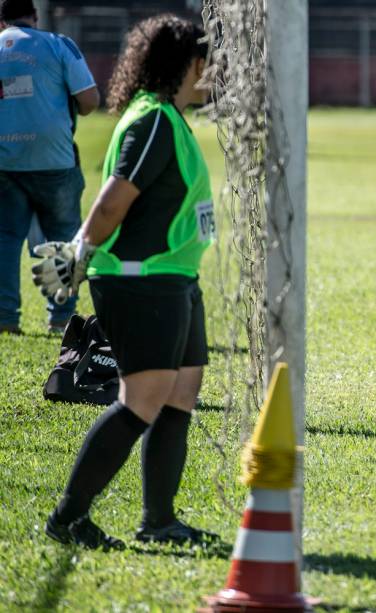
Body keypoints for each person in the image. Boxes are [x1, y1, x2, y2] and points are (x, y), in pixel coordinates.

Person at [32, 14, 217, 550]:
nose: (215, 73)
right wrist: (80, 253)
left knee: (182, 391)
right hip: (142, 282)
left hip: (175, 278)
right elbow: (114, 198)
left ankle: (159, 522)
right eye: (210, 62)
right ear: (189, 63)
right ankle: (68, 518)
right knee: (142, 399)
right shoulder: (154, 118)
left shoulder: (169, 117)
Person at [0, 0, 99, 334]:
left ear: (2, 22)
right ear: (35, 16)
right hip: (55, 160)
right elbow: (90, 100)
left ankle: (5, 319)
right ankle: (61, 319)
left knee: (6, 239)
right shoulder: (58, 44)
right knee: (62, 237)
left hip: (5, 161)